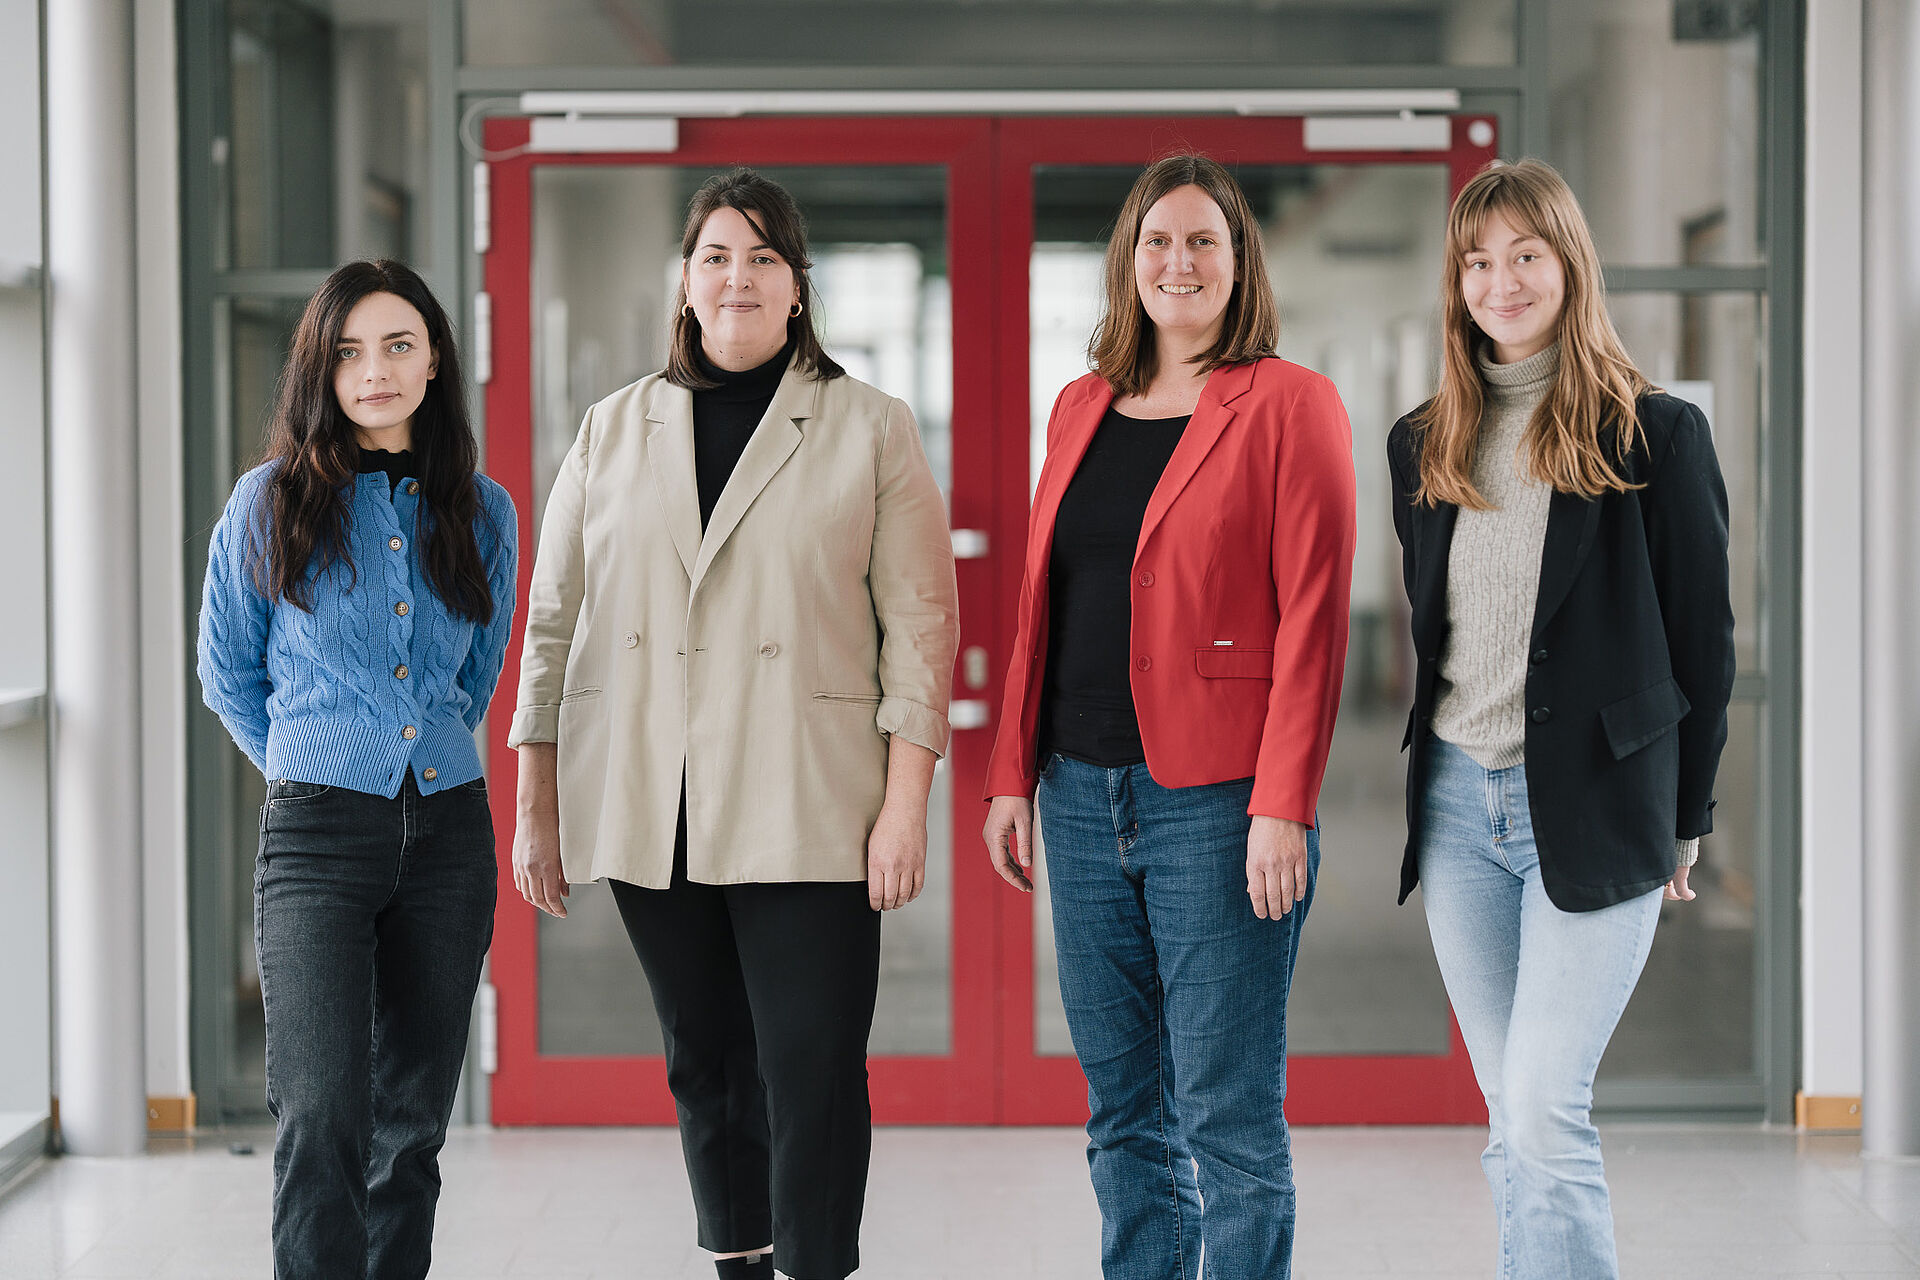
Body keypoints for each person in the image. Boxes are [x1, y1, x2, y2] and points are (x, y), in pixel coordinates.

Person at [508, 168, 958, 1280]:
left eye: (763, 257)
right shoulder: (613, 427)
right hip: (654, 794)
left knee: (809, 1063)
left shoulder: (868, 426)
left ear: (798, 288)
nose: (737, 277)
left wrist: (906, 807)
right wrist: (535, 805)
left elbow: (921, 627)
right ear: (686, 281)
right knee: (705, 1059)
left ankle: (815, 1266)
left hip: (811, 796)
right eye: (717, 255)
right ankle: (739, 1261)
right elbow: (552, 619)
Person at [982, 154, 1357, 1280]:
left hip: (1220, 801)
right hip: (1080, 794)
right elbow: (1043, 601)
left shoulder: (1291, 402)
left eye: (1203, 241)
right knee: (1121, 1115)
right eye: (1158, 242)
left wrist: (1282, 803)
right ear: (1127, 262)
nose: (1178, 262)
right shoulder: (1080, 404)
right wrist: (1012, 771)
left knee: (1229, 1120)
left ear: (1239, 262)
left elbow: (1316, 619)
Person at [1387, 158, 1735, 1279]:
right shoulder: (1423, 441)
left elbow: (1703, 646)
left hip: (1594, 805)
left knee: (1542, 1108)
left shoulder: (1656, 437)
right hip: (1454, 809)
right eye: (1478, 262)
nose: (1501, 281)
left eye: (1524, 255)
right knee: (1511, 1115)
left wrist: (1684, 816)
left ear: (1567, 265)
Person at [197, 259, 518, 1279]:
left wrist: (415, 753)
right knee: (323, 1113)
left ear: (434, 362)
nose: (373, 371)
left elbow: (477, 673)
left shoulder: (484, 509)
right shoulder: (267, 503)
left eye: (398, 346)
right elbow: (228, 676)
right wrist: (317, 767)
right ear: (320, 368)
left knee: (410, 1122)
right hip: (317, 838)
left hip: (449, 836)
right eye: (348, 351)